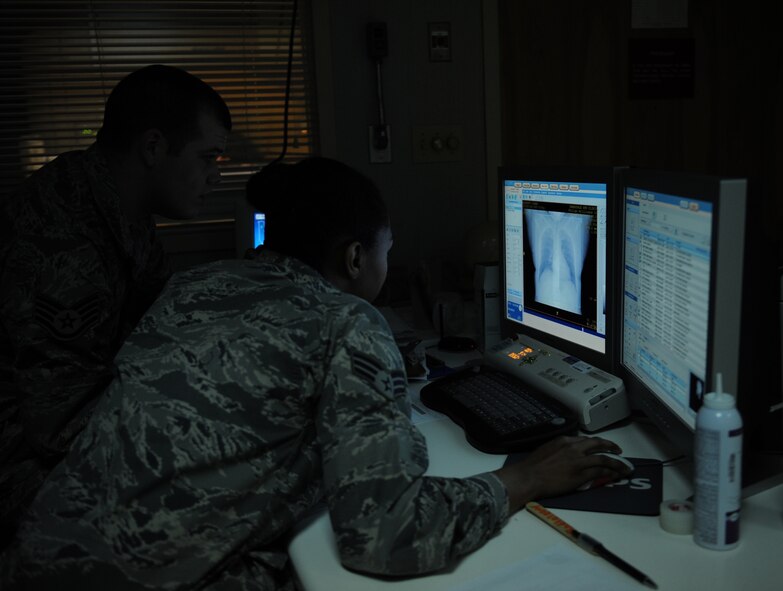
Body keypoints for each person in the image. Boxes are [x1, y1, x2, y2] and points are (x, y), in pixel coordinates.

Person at [0, 157, 630, 589]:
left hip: (37, 557)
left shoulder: (196, 285)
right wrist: (523, 478)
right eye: (387, 250)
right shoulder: (346, 323)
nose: (388, 263)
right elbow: (383, 534)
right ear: (355, 257)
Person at [0, 64, 232, 543]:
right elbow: (61, 426)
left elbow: (162, 313)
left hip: (77, 421)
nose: (216, 177)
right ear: (153, 148)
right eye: (207, 158)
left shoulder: (119, 202)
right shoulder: (63, 243)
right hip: (23, 461)